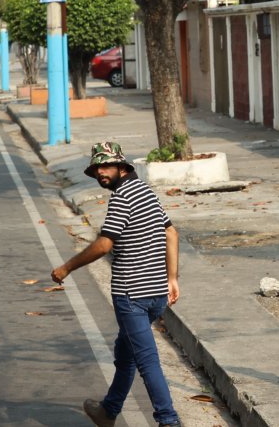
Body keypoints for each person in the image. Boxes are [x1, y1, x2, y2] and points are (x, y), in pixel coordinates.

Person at [51, 142, 181, 427]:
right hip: (155, 294)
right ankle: (108, 411)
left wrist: (66, 267)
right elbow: (171, 233)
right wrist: (171, 279)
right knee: (126, 352)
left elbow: (104, 244)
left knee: (146, 361)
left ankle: (169, 421)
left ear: (122, 167)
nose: (101, 173)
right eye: (97, 168)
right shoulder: (146, 192)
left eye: (106, 166)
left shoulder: (122, 198)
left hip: (131, 294)